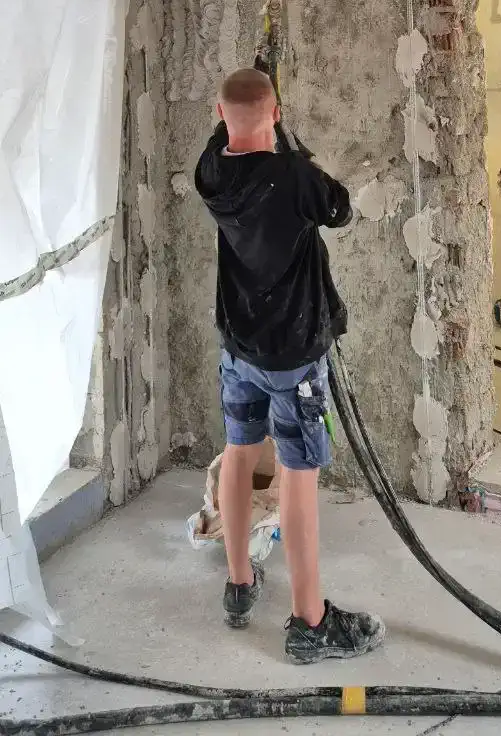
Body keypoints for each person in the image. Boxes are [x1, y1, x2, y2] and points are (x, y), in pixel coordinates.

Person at [195, 67, 385, 664]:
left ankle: (239, 583)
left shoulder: (210, 171)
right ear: (276, 114)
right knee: (299, 476)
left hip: (238, 348)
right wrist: (289, 141)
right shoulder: (295, 177)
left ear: (219, 114)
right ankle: (310, 622)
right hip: (294, 356)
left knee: (239, 453)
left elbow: (230, 129)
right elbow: (340, 209)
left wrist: (256, 111)